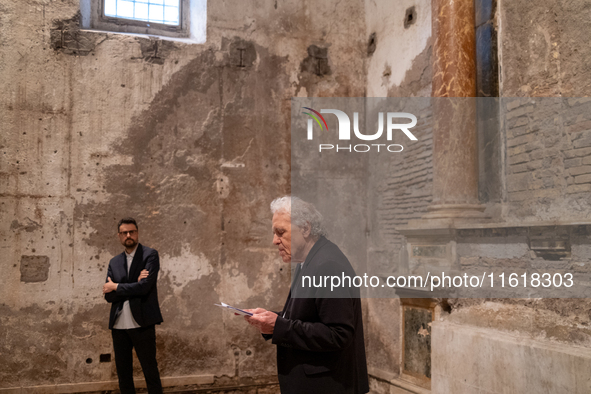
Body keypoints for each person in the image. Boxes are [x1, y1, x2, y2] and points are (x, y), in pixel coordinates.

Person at [244, 196, 369, 394]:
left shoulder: (328, 265)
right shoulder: (307, 261)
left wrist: (280, 326)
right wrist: (272, 319)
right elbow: (309, 315)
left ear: (305, 229)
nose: (274, 240)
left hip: (328, 385)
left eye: (281, 232)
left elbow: (338, 334)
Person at [103, 217, 164, 394]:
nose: (128, 235)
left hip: (142, 322)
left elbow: (145, 288)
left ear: (137, 233)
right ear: (119, 236)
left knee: (150, 370)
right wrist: (133, 284)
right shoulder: (114, 262)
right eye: (124, 233)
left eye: (132, 232)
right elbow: (108, 297)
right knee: (123, 373)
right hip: (118, 325)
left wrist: (116, 286)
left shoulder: (150, 255)